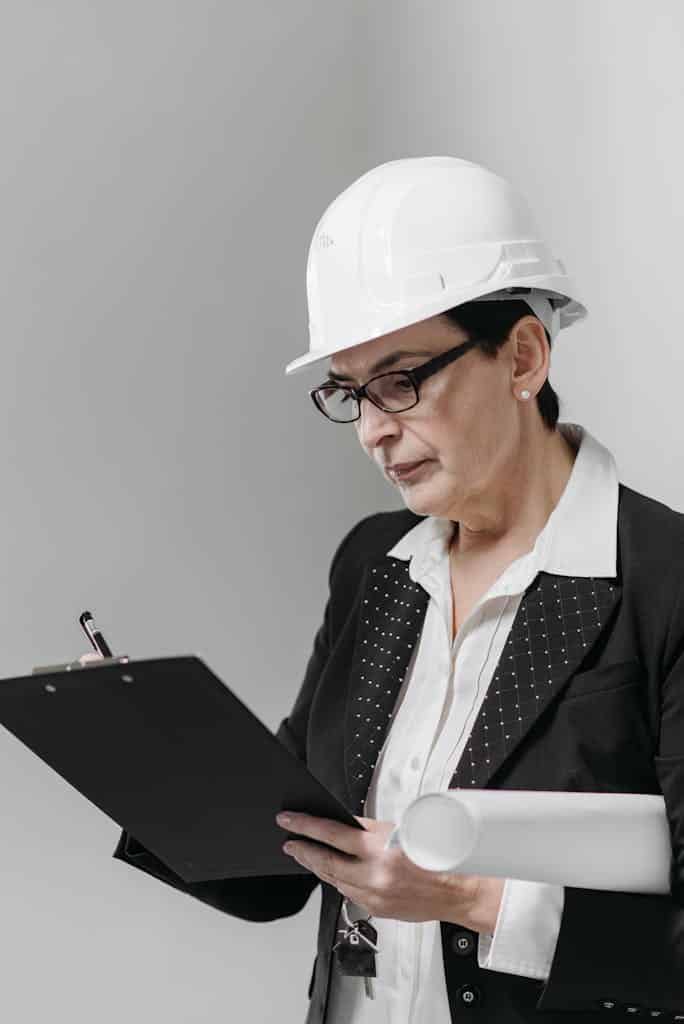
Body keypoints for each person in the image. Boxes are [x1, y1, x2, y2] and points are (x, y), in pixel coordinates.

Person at [107, 157, 684, 1023]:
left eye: (402, 380)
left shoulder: (661, 576)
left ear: (522, 354)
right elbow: (286, 866)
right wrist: (131, 758)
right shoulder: (376, 565)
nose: (375, 429)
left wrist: (471, 901)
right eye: (349, 391)